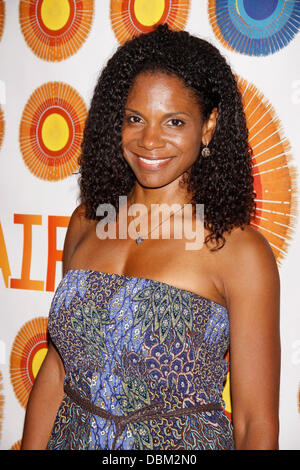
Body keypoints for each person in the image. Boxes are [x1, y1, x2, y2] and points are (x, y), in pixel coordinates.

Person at [21, 24, 280, 450]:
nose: (149, 141)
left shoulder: (238, 251)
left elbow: (255, 424)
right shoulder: (86, 222)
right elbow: (59, 367)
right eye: (134, 118)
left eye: (174, 121)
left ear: (209, 126)